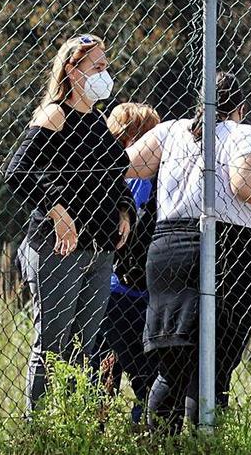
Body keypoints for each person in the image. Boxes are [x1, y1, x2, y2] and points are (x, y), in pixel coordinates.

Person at [125, 71, 251, 432]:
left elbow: (123, 163)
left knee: (173, 370)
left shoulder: (171, 131)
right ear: (240, 107)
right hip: (228, 253)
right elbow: (245, 186)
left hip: (169, 251)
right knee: (212, 370)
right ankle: (207, 443)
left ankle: (155, 443)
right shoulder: (243, 133)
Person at [4, 34, 135, 413]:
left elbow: (116, 176)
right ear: (72, 71)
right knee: (54, 343)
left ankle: (70, 425)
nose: (104, 73)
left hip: (99, 248)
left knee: (85, 345)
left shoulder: (97, 121)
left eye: (106, 66)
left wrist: (125, 211)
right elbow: (18, 169)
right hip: (59, 247)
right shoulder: (54, 115)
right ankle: (38, 429)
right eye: (97, 67)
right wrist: (58, 211)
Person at [90, 103, 161, 424]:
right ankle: (145, 431)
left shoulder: (107, 178)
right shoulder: (149, 179)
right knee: (147, 378)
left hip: (109, 290)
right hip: (141, 294)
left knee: (100, 378)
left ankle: (96, 428)